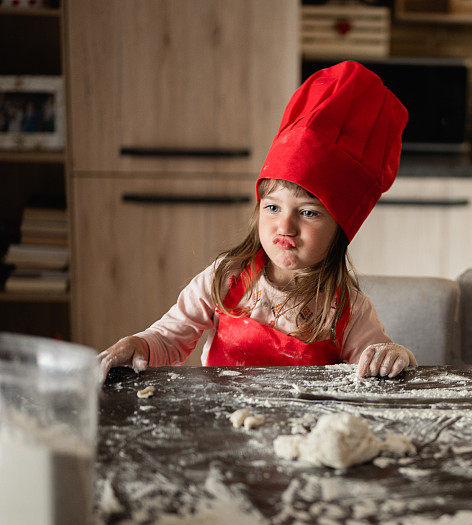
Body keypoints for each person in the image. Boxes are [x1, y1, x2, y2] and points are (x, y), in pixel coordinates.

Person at [98, 61, 415, 380]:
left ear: (340, 227)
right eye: (273, 207)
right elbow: (168, 339)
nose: (285, 226)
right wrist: (137, 344)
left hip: (305, 428)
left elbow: (376, 368)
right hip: (224, 423)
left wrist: (394, 354)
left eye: (308, 212)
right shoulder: (226, 278)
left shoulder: (349, 310)